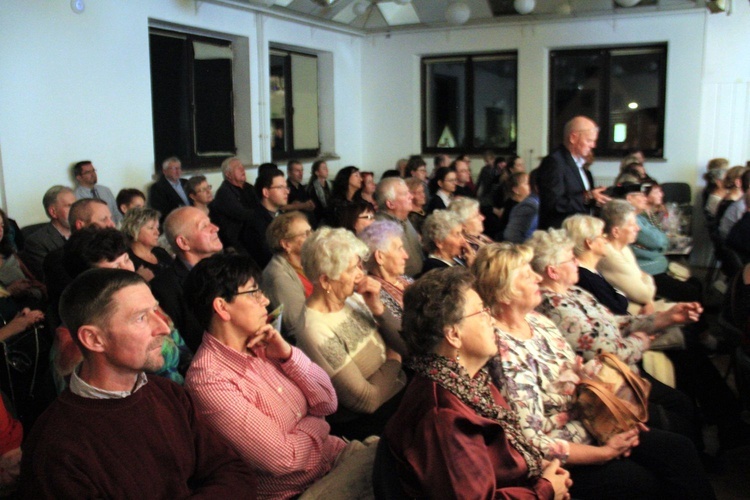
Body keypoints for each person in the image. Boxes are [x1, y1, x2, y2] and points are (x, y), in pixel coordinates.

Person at [472, 243, 715, 500]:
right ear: (504, 292)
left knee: (678, 448)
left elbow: (576, 373)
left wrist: (616, 417)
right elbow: (531, 443)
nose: (536, 276)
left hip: (594, 422)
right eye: (525, 273)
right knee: (646, 480)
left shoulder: (537, 321)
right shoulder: (504, 352)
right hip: (570, 450)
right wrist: (605, 453)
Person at [19, 268, 257, 497]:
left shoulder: (168, 393)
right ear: (94, 339)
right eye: (141, 318)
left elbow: (234, 472)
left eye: (156, 310)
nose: (163, 327)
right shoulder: (56, 449)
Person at [184, 253, 377, 499]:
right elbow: (284, 459)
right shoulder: (209, 380)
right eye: (253, 293)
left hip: (338, 455)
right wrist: (318, 423)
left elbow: (328, 401)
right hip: (301, 490)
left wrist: (287, 354)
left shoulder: (264, 341)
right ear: (222, 307)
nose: (265, 300)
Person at [382, 267, 570, 499]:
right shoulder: (443, 417)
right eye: (481, 312)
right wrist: (546, 490)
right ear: (454, 335)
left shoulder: (469, 379)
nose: (491, 320)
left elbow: (504, 457)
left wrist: (544, 472)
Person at [528, 228, 707, 446]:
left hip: (623, 373)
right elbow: (607, 354)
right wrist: (640, 341)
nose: (577, 261)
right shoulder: (557, 309)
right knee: (680, 418)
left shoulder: (573, 292)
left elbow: (616, 323)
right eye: (571, 258)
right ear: (553, 271)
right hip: (609, 386)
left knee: (682, 402)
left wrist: (665, 318)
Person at [298, 227, 407, 440]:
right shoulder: (314, 329)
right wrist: (394, 358)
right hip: (372, 424)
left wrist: (378, 309)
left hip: (399, 392)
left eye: (359, 265)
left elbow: (406, 345)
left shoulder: (353, 298)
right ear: (325, 281)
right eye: (350, 269)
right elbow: (367, 400)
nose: (360, 274)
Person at [59, 227, 191, 389]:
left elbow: (181, 350)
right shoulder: (73, 345)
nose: (128, 270)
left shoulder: (145, 303)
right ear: (89, 279)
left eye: (127, 259)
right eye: (115, 267)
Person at [150, 206, 223, 353]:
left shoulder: (225, 266)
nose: (215, 228)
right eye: (204, 226)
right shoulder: (164, 289)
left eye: (210, 222)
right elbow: (184, 346)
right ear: (184, 243)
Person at [537, 116, 610, 229]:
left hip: (578, 232)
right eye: (589, 140)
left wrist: (596, 198)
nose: (593, 145)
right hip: (560, 234)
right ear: (573, 138)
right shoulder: (554, 162)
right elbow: (554, 203)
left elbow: (579, 199)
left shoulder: (580, 165)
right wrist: (587, 197)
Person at [359, 221, 411, 356]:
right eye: (399, 249)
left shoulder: (405, 280)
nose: (406, 255)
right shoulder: (375, 295)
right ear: (380, 257)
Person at [261, 211, 313, 340]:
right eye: (306, 234)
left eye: (311, 231)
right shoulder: (278, 276)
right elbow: (299, 326)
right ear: (286, 244)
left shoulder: (308, 261)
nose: (312, 237)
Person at [21, 186, 75, 281]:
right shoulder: (37, 242)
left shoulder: (85, 232)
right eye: (70, 206)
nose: (76, 210)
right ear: (53, 212)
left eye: (76, 205)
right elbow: (50, 277)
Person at [374, 177, 424, 277]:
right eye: (405, 194)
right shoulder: (381, 229)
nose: (411, 197)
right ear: (390, 204)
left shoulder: (404, 217)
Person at [240, 168, 289, 269]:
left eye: (286, 187)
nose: (286, 192)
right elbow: (266, 258)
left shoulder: (282, 215)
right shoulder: (254, 222)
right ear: (266, 192)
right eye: (280, 187)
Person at [210, 156, 258, 252]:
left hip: (252, 232)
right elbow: (241, 214)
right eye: (238, 167)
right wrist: (263, 213)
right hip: (237, 240)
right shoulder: (224, 193)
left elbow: (260, 204)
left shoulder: (248, 187)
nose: (242, 169)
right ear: (228, 175)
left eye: (242, 166)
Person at [0, 208, 45, 307]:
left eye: (2, 225)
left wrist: (38, 285)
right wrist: (9, 291)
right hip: (8, 309)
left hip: (33, 300)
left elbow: (31, 277)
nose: (0, 230)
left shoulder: (9, 252)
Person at [121, 207, 173, 281]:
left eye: (157, 228)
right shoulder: (127, 261)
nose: (157, 233)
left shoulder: (160, 252)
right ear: (134, 230)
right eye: (151, 228)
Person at [420, 209, 474, 275]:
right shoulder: (434, 269)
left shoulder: (457, 260)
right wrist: (472, 268)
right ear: (439, 242)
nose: (463, 240)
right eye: (457, 235)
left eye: (461, 234)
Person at [72, 160, 122, 224]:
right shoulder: (75, 196)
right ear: (79, 177)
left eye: (93, 171)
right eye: (88, 172)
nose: (93, 174)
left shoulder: (105, 190)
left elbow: (116, 212)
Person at [148, 156, 190, 222]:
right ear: (164, 171)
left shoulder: (186, 182)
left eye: (179, 168)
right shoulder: (157, 188)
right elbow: (160, 211)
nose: (178, 171)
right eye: (174, 169)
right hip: (176, 220)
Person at [504, 169, 540, 243]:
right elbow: (512, 235)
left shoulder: (533, 202)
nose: (530, 187)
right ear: (516, 190)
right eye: (527, 184)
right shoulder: (524, 206)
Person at [306, 160, 332, 226]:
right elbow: (316, 208)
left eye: (326, 168)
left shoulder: (330, 185)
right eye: (324, 168)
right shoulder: (312, 188)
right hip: (319, 219)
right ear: (317, 173)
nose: (327, 170)